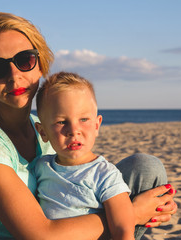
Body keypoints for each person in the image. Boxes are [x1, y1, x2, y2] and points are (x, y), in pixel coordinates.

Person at [0, 11, 177, 240]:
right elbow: (39, 235)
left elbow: (78, 186)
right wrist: (132, 214)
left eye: (24, 60)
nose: (13, 75)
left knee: (145, 168)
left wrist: (140, 205)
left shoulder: (42, 127)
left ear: (40, 65)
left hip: (56, 228)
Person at [34, 71, 135, 239]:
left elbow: (122, 229)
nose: (74, 131)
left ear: (97, 125)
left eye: (83, 119)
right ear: (43, 132)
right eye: (61, 122)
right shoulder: (41, 167)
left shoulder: (104, 174)